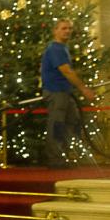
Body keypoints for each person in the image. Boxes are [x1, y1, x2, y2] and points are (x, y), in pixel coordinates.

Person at [41, 18, 96, 169]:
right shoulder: (55, 49)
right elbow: (66, 71)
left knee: (72, 121)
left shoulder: (62, 48)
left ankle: (63, 155)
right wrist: (83, 88)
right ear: (55, 31)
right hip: (56, 92)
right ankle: (55, 159)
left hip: (65, 92)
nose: (67, 31)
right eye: (64, 28)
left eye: (69, 28)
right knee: (57, 124)